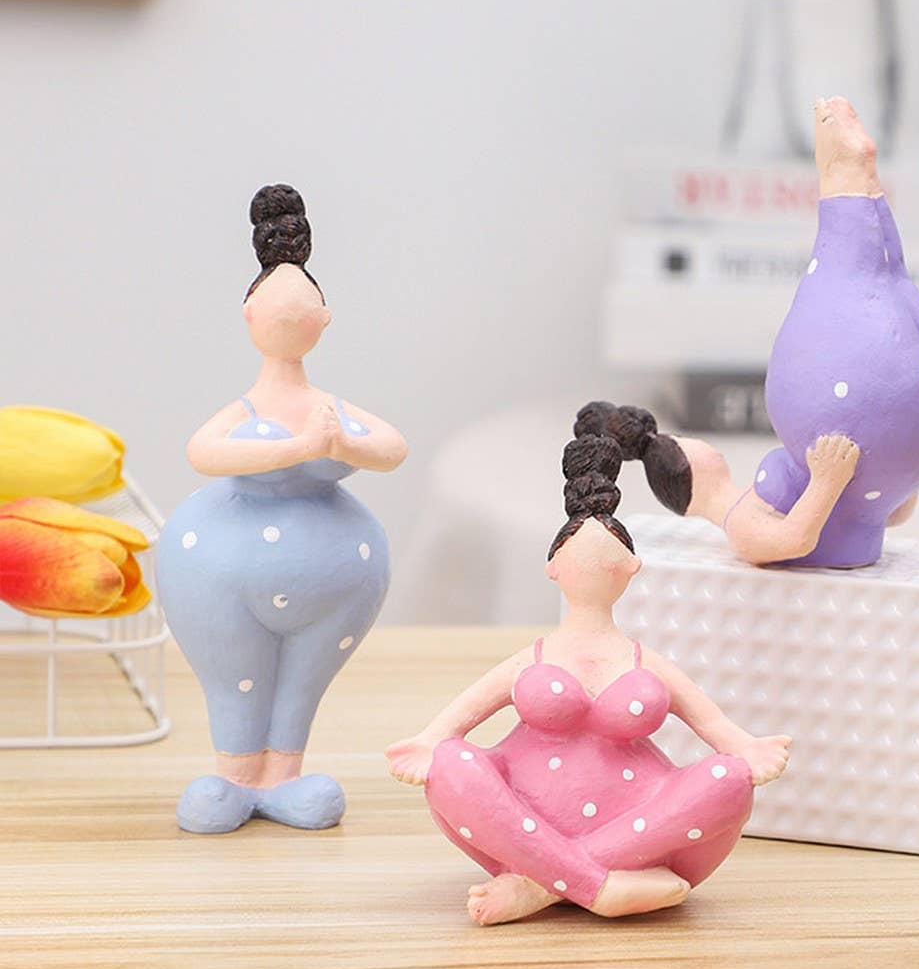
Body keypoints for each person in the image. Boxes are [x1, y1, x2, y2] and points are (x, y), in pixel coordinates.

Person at [385, 431, 790, 925]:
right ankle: (596, 888)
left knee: (730, 779)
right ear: (553, 568)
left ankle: (542, 885)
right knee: (450, 764)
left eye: (607, 558)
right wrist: (428, 742)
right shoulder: (533, 656)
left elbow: (713, 724)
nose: (593, 565)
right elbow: (465, 711)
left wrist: (747, 747)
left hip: (646, 831)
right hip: (514, 826)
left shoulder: (644, 660)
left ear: (631, 568)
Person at [592, 96, 919, 568]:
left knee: (875, 277)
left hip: (905, 426)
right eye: (690, 452)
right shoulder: (745, 520)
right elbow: (796, 540)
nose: (711, 455)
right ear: (687, 490)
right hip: (885, 413)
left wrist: (900, 469)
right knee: (863, 277)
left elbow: (896, 515)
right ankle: (846, 176)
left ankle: (852, 178)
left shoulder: (775, 483)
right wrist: (839, 480)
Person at [157, 184, 407, 834]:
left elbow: (393, 447)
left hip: (337, 576)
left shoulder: (329, 409)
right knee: (234, 669)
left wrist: (341, 444)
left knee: (301, 680)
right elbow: (203, 452)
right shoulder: (252, 410)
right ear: (249, 318)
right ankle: (236, 774)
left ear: (323, 321)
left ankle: (284, 776)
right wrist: (300, 448)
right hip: (222, 568)